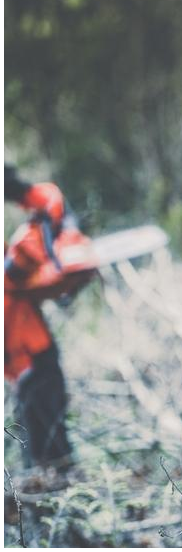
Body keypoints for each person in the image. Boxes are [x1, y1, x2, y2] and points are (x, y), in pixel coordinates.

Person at [4, 163, 73, 469]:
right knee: (48, 450)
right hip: (29, 357)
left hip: (26, 359)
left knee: (40, 446)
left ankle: (47, 485)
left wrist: (20, 191)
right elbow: (23, 264)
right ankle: (53, 487)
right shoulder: (18, 259)